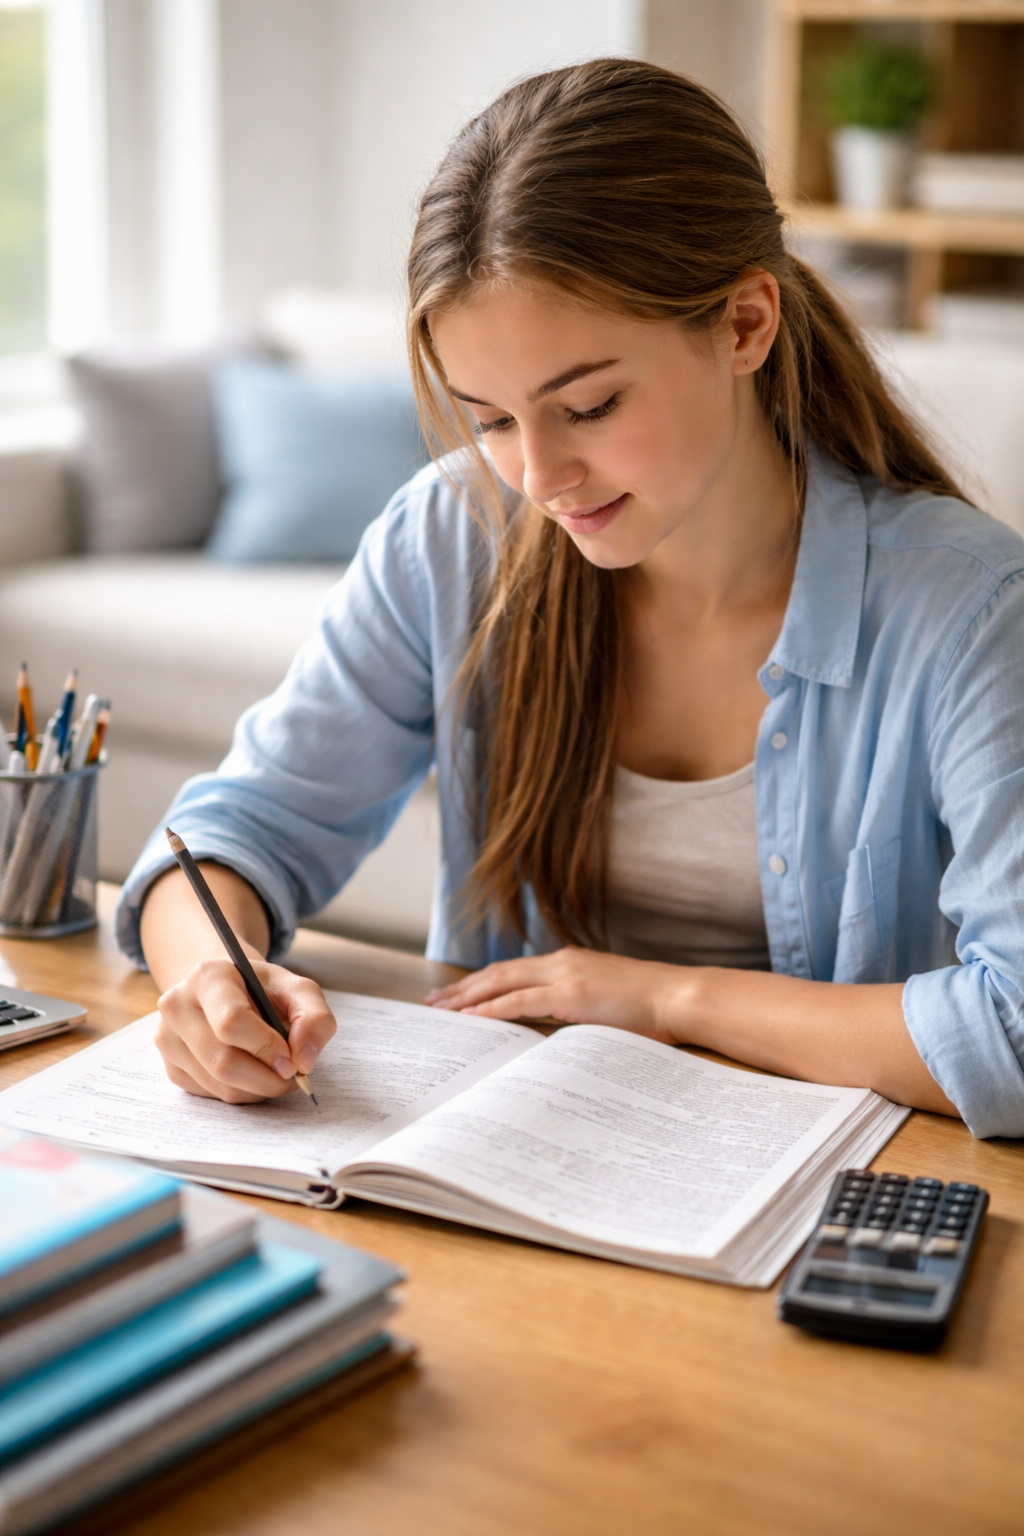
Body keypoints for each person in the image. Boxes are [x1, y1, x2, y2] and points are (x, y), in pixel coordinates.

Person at [118, 59, 1024, 1138]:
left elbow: (1012, 1030)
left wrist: (658, 998)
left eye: (587, 405)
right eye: (491, 420)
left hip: (832, 1188)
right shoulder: (450, 538)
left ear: (743, 325)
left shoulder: (966, 610)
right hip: (523, 1168)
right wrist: (210, 984)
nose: (539, 479)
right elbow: (233, 832)